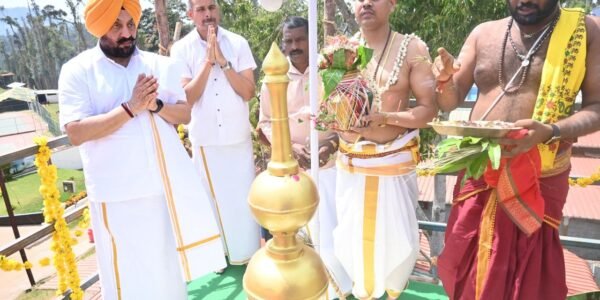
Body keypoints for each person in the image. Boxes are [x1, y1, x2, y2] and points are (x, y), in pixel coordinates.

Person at [431, 0, 600, 299]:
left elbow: (597, 108)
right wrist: (443, 81)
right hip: (480, 168)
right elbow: (450, 100)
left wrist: (551, 131)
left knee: (529, 277)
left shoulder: (585, 32)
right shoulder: (483, 33)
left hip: (539, 171)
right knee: (466, 261)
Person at [58, 1, 226, 299]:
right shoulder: (77, 70)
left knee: (167, 277)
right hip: (115, 195)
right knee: (127, 281)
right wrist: (130, 107)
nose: (126, 33)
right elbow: (76, 132)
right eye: (116, 26)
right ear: (99, 27)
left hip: (161, 190)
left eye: (131, 24)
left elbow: (184, 114)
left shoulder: (159, 65)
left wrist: (156, 105)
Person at [332, 1, 438, 299]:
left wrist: (386, 118)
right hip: (352, 165)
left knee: (396, 247)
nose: (365, 3)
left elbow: (428, 110)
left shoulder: (413, 48)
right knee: (352, 244)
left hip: (392, 165)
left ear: (392, 4)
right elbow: (332, 104)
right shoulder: (340, 50)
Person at [256, 16, 352, 298]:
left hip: (331, 168)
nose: (294, 46)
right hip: (292, 173)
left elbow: (346, 118)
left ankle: (339, 289)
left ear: (312, 40)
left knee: (334, 236)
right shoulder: (273, 79)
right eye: (289, 41)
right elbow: (264, 125)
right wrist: (288, 150)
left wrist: (331, 144)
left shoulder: (330, 73)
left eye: (300, 39)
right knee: (299, 241)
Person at [170, 0, 260, 266]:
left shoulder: (237, 43)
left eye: (212, 7)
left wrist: (224, 62)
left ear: (218, 10)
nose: (208, 14)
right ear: (190, 14)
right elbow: (187, 98)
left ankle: (248, 254)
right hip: (206, 139)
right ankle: (217, 258)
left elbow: (248, 92)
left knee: (243, 200)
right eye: (201, 9)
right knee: (211, 202)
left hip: (237, 137)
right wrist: (208, 63)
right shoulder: (181, 49)